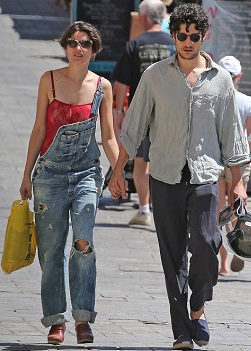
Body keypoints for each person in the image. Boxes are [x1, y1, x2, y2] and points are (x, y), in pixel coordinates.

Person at [108, 3, 250, 350]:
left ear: (205, 36)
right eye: (182, 35)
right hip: (165, 176)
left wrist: (240, 182)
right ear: (173, 35)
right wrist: (117, 170)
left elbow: (233, 135)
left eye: (194, 36)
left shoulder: (220, 82)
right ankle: (181, 330)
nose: (187, 41)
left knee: (205, 244)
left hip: (204, 177)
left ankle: (198, 307)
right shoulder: (155, 75)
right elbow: (134, 124)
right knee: (172, 256)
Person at [19, 21, 119, 345]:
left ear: (94, 50)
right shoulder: (48, 80)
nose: (79, 48)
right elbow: (38, 130)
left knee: (83, 243)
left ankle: (82, 319)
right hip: (49, 174)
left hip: (87, 174)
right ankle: (55, 321)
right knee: (50, 253)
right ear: (65, 47)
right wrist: (26, 175)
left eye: (85, 43)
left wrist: (118, 171)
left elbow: (109, 137)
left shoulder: (103, 86)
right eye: (73, 42)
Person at [112, 0, 175, 226]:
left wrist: (119, 111)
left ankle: (144, 210)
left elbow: (121, 82)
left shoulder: (134, 44)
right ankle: (164, 210)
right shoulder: (175, 44)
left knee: (141, 162)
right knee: (166, 160)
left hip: (142, 113)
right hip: (171, 113)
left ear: (146, 18)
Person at [217, 55, 251, 276]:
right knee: (237, 209)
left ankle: (223, 263)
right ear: (239, 76)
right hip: (241, 159)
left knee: (220, 212)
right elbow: (248, 134)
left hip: (217, 158)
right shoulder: (247, 102)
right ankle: (239, 247)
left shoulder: (215, 99)